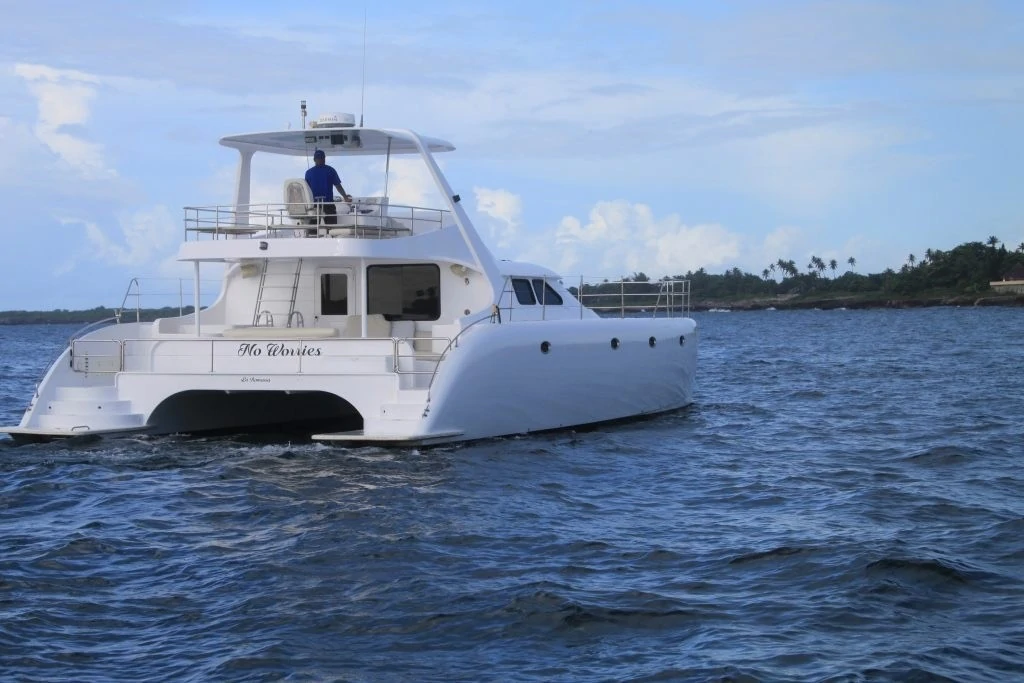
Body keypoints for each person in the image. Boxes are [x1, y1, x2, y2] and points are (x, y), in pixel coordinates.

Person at [304, 149, 352, 229]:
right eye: (319, 158)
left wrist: (345, 197)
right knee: (330, 229)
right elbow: (338, 186)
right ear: (315, 159)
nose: (320, 159)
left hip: (321, 204)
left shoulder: (309, 172)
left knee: (317, 230)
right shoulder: (330, 170)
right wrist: (345, 197)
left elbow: (338, 186)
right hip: (318, 205)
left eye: (321, 158)